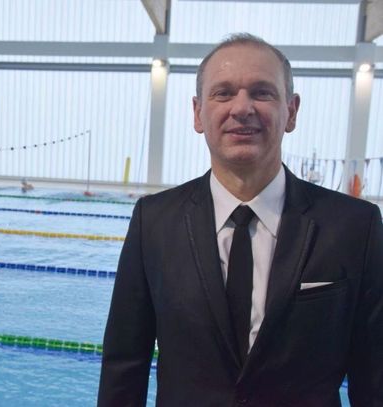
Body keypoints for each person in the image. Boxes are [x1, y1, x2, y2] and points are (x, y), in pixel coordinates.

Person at [98, 33, 383, 406]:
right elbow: (124, 366)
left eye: (262, 93)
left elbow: (374, 374)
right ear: (198, 113)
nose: (242, 108)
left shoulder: (354, 226)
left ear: (291, 112)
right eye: (224, 93)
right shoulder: (153, 222)